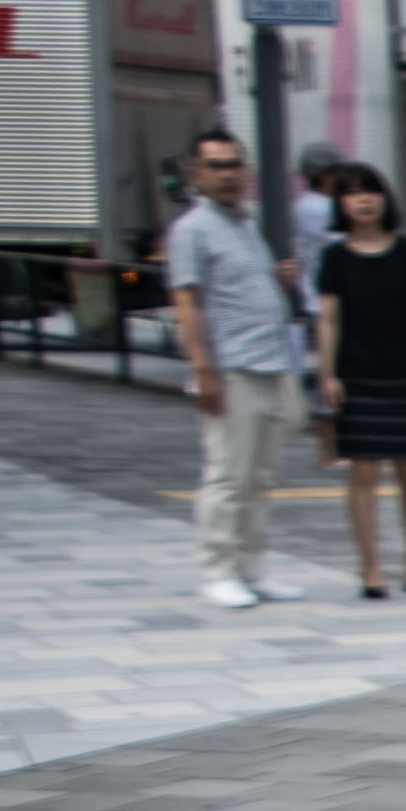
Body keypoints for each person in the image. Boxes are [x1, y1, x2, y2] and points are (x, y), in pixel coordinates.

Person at [165, 131, 312, 610]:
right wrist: (202, 369)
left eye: (234, 164)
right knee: (227, 476)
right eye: (215, 166)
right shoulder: (192, 229)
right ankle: (217, 571)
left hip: (270, 363)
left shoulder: (245, 224)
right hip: (232, 368)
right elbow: (186, 301)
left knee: (260, 477)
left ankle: (251, 569)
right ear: (196, 174)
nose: (227, 174)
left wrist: (277, 283)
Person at [303, 160, 406, 600]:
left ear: (385, 198)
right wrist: (326, 374)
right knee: (362, 472)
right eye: (351, 193)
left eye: (370, 191)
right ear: (341, 205)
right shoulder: (334, 258)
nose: (363, 199)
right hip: (356, 374)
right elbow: (327, 319)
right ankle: (370, 565)